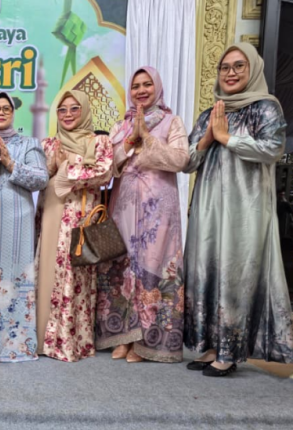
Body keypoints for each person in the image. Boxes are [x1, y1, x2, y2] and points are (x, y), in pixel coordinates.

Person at [183, 43, 293, 376]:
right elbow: (187, 162)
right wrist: (207, 139)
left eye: (239, 66)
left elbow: (273, 149)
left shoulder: (265, 108)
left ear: (253, 69)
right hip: (208, 208)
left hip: (245, 209)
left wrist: (227, 138)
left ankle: (229, 351)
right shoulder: (210, 113)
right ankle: (211, 345)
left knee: (236, 274)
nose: (230, 73)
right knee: (207, 270)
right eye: (225, 67)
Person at [95, 66, 189, 363]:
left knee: (153, 266)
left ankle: (147, 341)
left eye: (147, 84)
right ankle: (124, 337)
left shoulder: (172, 122)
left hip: (158, 209)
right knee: (123, 267)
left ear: (157, 87)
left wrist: (146, 136)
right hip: (123, 206)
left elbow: (180, 159)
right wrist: (129, 140)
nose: (141, 91)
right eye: (135, 86)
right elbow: (106, 167)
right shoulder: (120, 126)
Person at [34, 90, 113, 362]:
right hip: (51, 210)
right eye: (62, 109)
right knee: (47, 269)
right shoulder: (48, 143)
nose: (67, 114)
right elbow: (40, 175)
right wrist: (54, 167)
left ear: (85, 111)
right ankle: (43, 338)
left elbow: (103, 172)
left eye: (74, 108)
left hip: (79, 216)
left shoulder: (99, 142)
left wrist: (66, 167)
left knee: (74, 273)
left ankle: (67, 341)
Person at [0, 92, 48, 362]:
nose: (0, 112)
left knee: (17, 280)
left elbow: (42, 179)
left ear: (13, 113)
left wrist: (10, 164)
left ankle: (17, 345)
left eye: (6, 108)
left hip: (18, 222)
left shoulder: (29, 144)